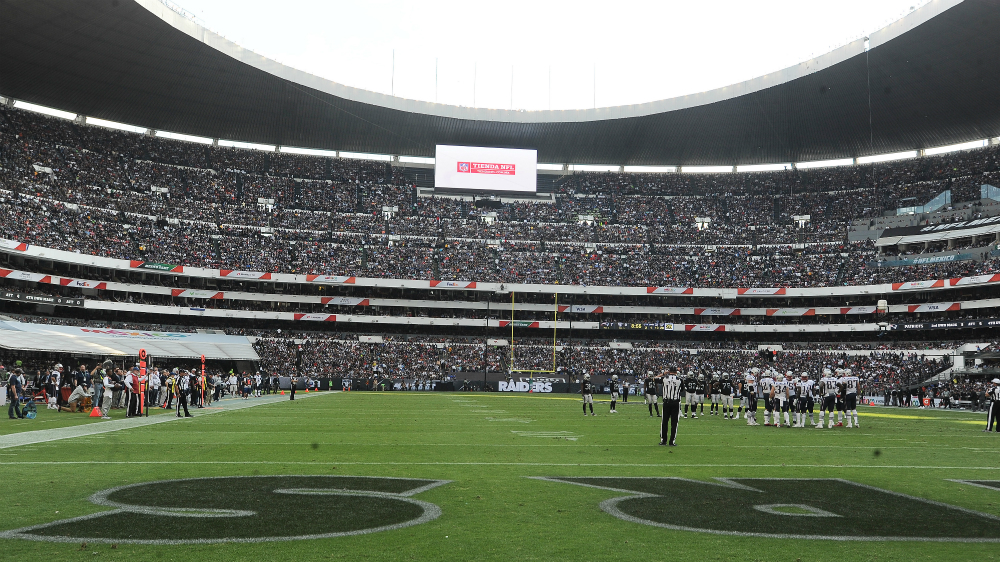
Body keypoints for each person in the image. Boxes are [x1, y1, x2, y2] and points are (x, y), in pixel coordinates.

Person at [659, 368, 682, 447]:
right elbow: (681, 390)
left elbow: (653, 379)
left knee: (664, 422)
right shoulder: (680, 380)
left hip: (666, 402)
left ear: (669, 372)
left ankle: (663, 440)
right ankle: (672, 441)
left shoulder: (664, 378)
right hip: (675, 403)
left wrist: (663, 373)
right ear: (676, 372)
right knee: (674, 423)